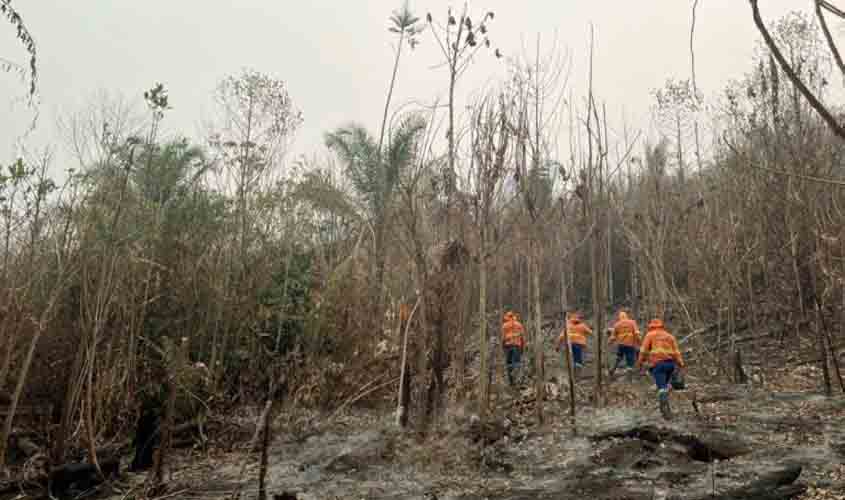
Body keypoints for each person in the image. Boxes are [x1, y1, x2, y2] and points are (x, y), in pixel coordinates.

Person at [636, 319, 685, 420]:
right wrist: (681, 364)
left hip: (658, 365)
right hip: (670, 365)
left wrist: (639, 363)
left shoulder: (650, 335)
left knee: (662, 388)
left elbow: (643, 351)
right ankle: (667, 409)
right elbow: (676, 352)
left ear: (651, 326)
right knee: (665, 386)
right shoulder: (669, 336)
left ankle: (665, 411)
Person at [609, 311, 641, 376]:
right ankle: (629, 374)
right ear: (626, 316)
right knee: (630, 359)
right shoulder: (632, 322)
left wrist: (609, 342)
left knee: (618, 357)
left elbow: (613, 337)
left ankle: (613, 368)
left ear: (619, 317)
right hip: (630, 344)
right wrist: (640, 342)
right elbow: (636, 333)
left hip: (621, 344)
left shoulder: (617, 324)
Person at [501, 311, 526, 386]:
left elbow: (503, 337)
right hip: (517, 345)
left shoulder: (504, 325)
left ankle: (511, 382)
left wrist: (503, 346)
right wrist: (523, 347)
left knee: (509, 364)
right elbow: (522, 337)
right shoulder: (519, 325)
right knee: (517, 363)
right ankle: (518, 380)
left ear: (507, 317)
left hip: (508, 346)